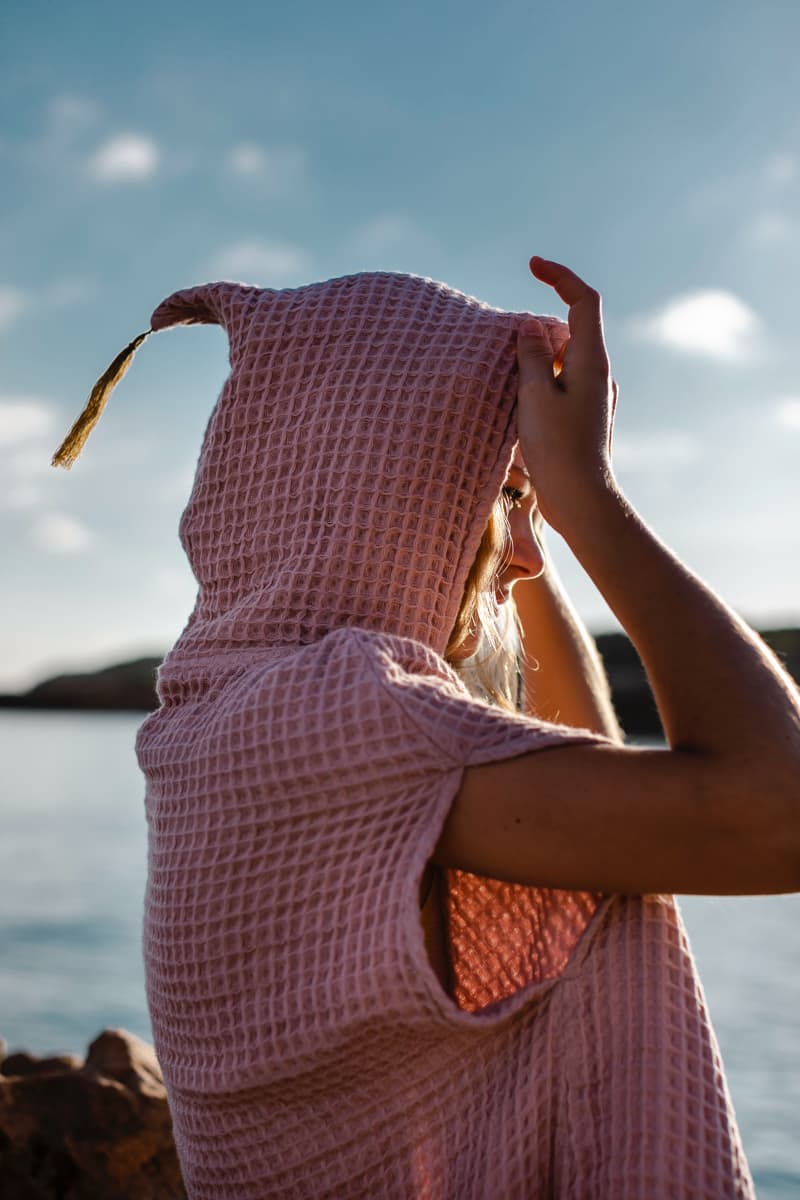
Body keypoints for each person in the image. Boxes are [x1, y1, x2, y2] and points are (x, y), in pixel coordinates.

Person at [52, 256, 799, 1198]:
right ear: (394, 503)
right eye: (501, 502)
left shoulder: (220, 723)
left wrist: (518, 508)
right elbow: (780, 813)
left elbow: (592, 771)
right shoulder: (339, 716)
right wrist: (587, 500)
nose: (528, 561)